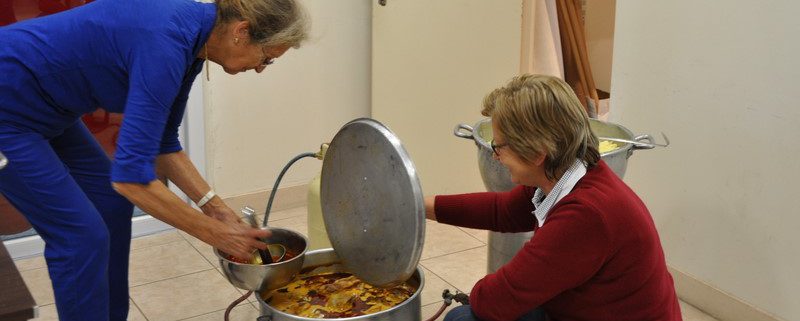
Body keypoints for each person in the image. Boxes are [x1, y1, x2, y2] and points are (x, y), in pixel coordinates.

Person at [0, 0, 309, 320]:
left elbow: (163, 143)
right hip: (7, 107)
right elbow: (132, 180)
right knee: (81, 237)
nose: (260, 68)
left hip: (50, 108)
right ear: (241, 32)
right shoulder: (166, 43)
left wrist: (215, 208)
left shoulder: (194, 44)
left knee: (111, 202)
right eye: (267, 58)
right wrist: (213, 232)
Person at [425, 75, 681, 321]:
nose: (495, 155)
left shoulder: (586, 215)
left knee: (464, 319)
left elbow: (496, 301)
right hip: (584, 311)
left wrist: (513, 277)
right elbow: (502, 211)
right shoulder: (565, 172)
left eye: (499, 146)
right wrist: (417, 205)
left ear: (537, 153)